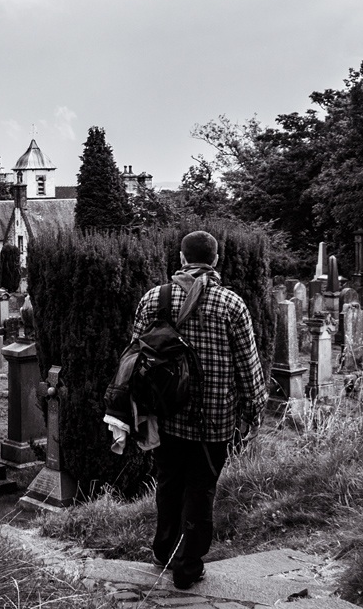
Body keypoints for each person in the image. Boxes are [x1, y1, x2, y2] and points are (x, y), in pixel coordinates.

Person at [129, 230, 267, 590]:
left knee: (169, 483)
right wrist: (254, 412)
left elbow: (135, 356)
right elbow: (248, 367)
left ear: (180, 257)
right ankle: (189, 566)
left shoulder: (153, 299)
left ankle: (164, 550)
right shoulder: (231, 304)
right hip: (214, 419)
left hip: (165, 415)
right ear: (216, 259)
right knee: (201, 490)